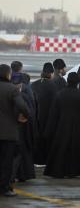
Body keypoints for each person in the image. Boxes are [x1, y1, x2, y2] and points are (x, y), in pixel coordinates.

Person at [43, 73, 80, 178]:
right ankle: (77, 171)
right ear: (78, 82)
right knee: (77, 150)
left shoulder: (59, 94)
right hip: (78, 127)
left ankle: (59, 171)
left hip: (62, 126)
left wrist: (49, 130)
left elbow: (54, 114)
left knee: (61, 150)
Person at [0, 64, 29, 197]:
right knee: (7, 162)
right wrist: (25, 116)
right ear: (7, 74)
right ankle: (4, 188)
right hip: (8, 132)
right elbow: (23, 106)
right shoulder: (12, 89)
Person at [10, 73, 36, 183]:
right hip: (21, 129)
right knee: (20, 153)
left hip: (9, 128)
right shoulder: (24, 95)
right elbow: (30, 111)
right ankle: (17, 175)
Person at [31, 62, 56, 165]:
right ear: (50, 74)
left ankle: (36, 160)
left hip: (35, 116)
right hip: (48, 117)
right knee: (47, 140)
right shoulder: (53, 85)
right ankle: (45, 160)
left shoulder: (34, 84)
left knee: (37, 138)